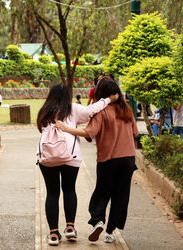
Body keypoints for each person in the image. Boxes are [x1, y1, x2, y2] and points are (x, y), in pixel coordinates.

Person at [56, 77, 139, 244]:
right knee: (121, 196)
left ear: (101, 93)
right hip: (128, 159)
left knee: (101, 193)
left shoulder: (101, 111)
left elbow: (89, 132)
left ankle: (98, 220)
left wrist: (67, 129)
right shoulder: (127, 109)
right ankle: (110, 232)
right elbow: (135, 133)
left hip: (108, 160)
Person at [36, 83, 118, 246]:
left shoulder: (44, 111)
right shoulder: (73, 109)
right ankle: (70, 228)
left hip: (47, 156)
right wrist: (108, 99)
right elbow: (91, 110)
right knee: (69, 189)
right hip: (70, 155)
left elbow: (41, 129)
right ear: (68, 95)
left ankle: (53, 234)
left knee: (52, 193)